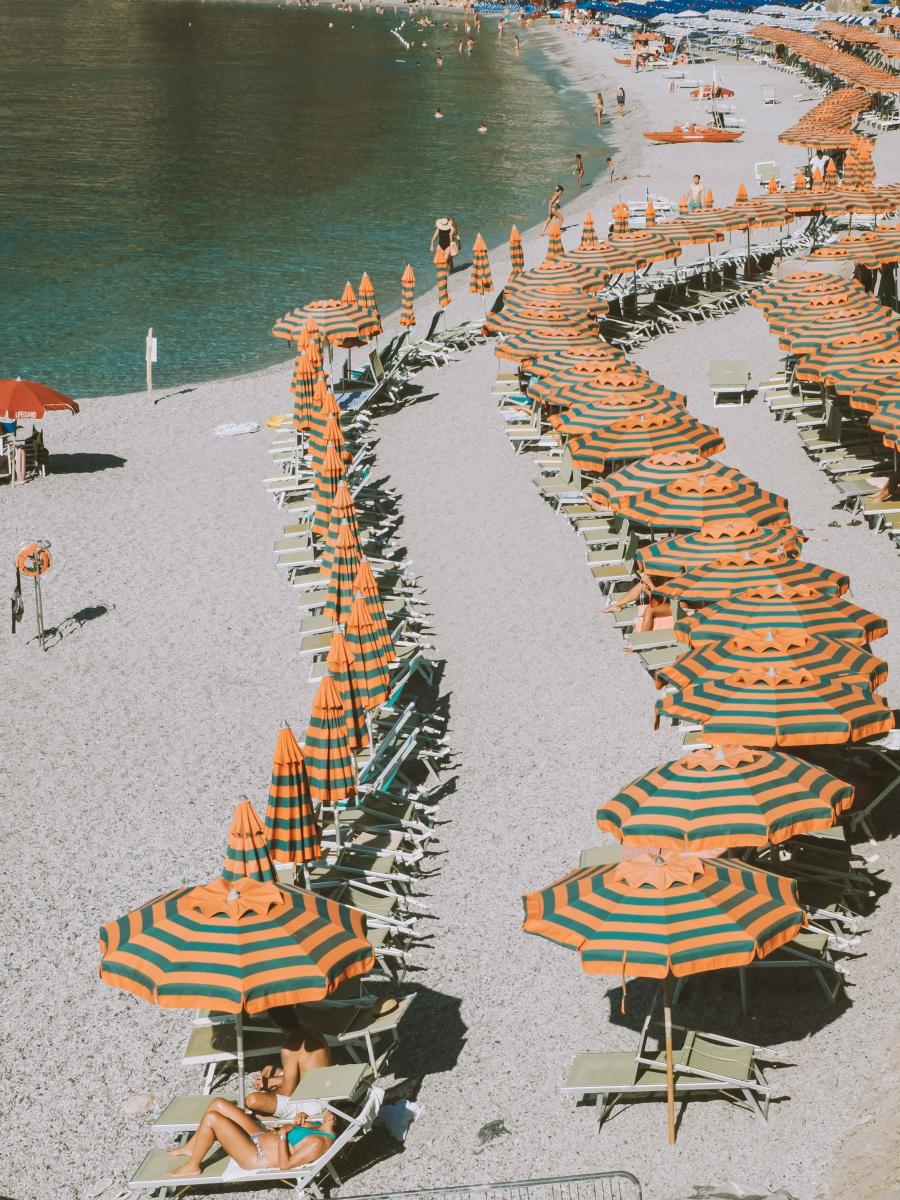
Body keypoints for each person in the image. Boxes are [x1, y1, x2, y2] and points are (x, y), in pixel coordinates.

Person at [165, 1097, 338, 1178]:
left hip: (255, 1154)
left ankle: (193, 1166)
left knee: (212, 1119)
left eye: (331, 1112)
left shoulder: (317, 1143)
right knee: (218, 1104)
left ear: (334, 1119)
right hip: (261, 1135)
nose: (327, 1113)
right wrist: (296, 1120)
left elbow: (285, 1165)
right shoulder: (318, 1127)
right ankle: (191, 1147)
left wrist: (283, 1134)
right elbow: (294, 1135)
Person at [245, 1018, 332, 1119]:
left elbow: (287, 1092)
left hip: (312, 1103)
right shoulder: (311, 1030)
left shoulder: (290, 1047)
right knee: (268, 1070)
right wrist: (273, 1081)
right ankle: (274, 1082)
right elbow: (308, 1072)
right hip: (328, 1088)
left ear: (275, 1022)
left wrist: (266, 1093)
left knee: (252, 1100)